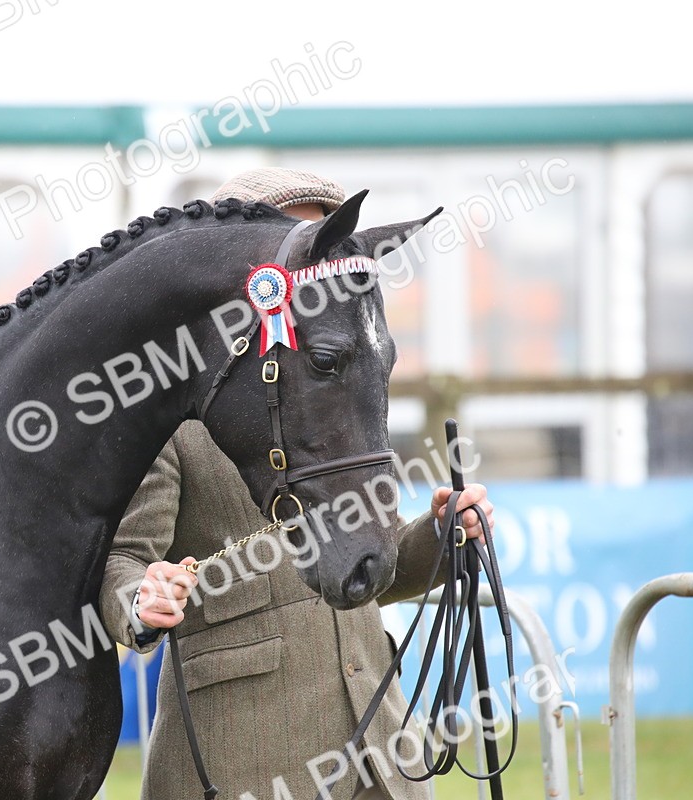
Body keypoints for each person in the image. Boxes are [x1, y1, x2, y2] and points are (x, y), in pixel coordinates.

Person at [99, 168, 496, 800]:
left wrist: (445, 538)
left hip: (381, 755)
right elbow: (121, 561)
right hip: (241, 767)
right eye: (296, 240)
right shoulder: (178, 414)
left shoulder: (342, 399)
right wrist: (140, 598)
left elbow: (375, 572)